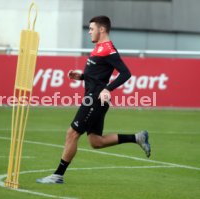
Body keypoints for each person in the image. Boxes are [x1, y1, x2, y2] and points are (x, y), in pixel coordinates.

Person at [36, 16, 151, 184]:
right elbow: (98, 75)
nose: (89, 32)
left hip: (95, 99)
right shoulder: (99, 47)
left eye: (91, 29)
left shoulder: (109, 49)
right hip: (94, 96)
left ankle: (57, 175)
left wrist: (107, 88)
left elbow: (126, 73)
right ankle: (137, 138)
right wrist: (82, 76)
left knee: (72, 133)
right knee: (96, 141)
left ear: (101, 29)